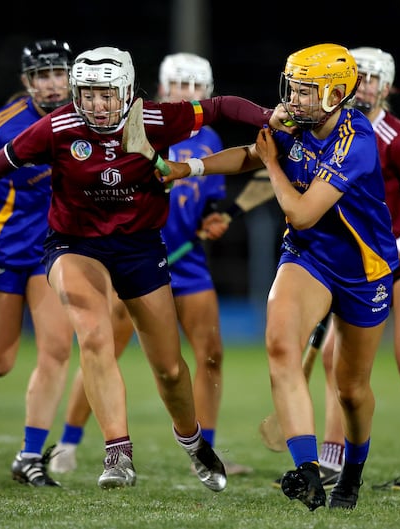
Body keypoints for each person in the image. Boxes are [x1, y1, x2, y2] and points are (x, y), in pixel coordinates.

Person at [0, 46, 281, 492]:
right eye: (87, 95)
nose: (97, 105)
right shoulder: (57, 128)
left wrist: (268, 116)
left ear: (126, 92)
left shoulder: (156, 119)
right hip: (74, 245)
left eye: (107, 95)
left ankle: (192, 440)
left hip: (139, 247)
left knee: (170, 369)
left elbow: (221, 107)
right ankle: (117, 453)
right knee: (95, 336)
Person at [160, 43, 399, 510]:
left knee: (351, 391)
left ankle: (351, 475)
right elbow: (252, 153)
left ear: (335, 95)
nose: (293, 98)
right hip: (308, 257)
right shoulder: (296, 122)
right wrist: (187, 168)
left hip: (363, 270)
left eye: (306, 91)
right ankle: (308, 470)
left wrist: (272, 163)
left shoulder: (356, 140)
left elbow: (301, 211)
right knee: (281, 346)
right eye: (293, 87)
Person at [49, 52, 253, 476]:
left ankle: (206, 447)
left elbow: (210, 197)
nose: (186, 93)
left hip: (187, 263)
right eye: (179, 84)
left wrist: (215, 217)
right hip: (134, 258)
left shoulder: (210, 139)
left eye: (195, 86)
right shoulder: (139, 125)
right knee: (102, 348)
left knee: (210, 354)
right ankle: (68, 442)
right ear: (162, 88)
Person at [0, 39, 133, 488]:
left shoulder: (92, 120)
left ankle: (29, 456)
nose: (51, 84)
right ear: (27, 81)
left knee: (56, 351)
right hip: (0, 250)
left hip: (54, 252)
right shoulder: (1, 126)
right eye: (41, 75)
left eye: (58, 74)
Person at [314, 47, 400, 492]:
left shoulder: (397, 138)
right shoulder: (333, 132)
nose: (364, 86)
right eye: (359, 77)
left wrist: (395, 253)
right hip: (367, 259)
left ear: (387, 87)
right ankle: (331, 459)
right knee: (333, 357)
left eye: (373, 78)